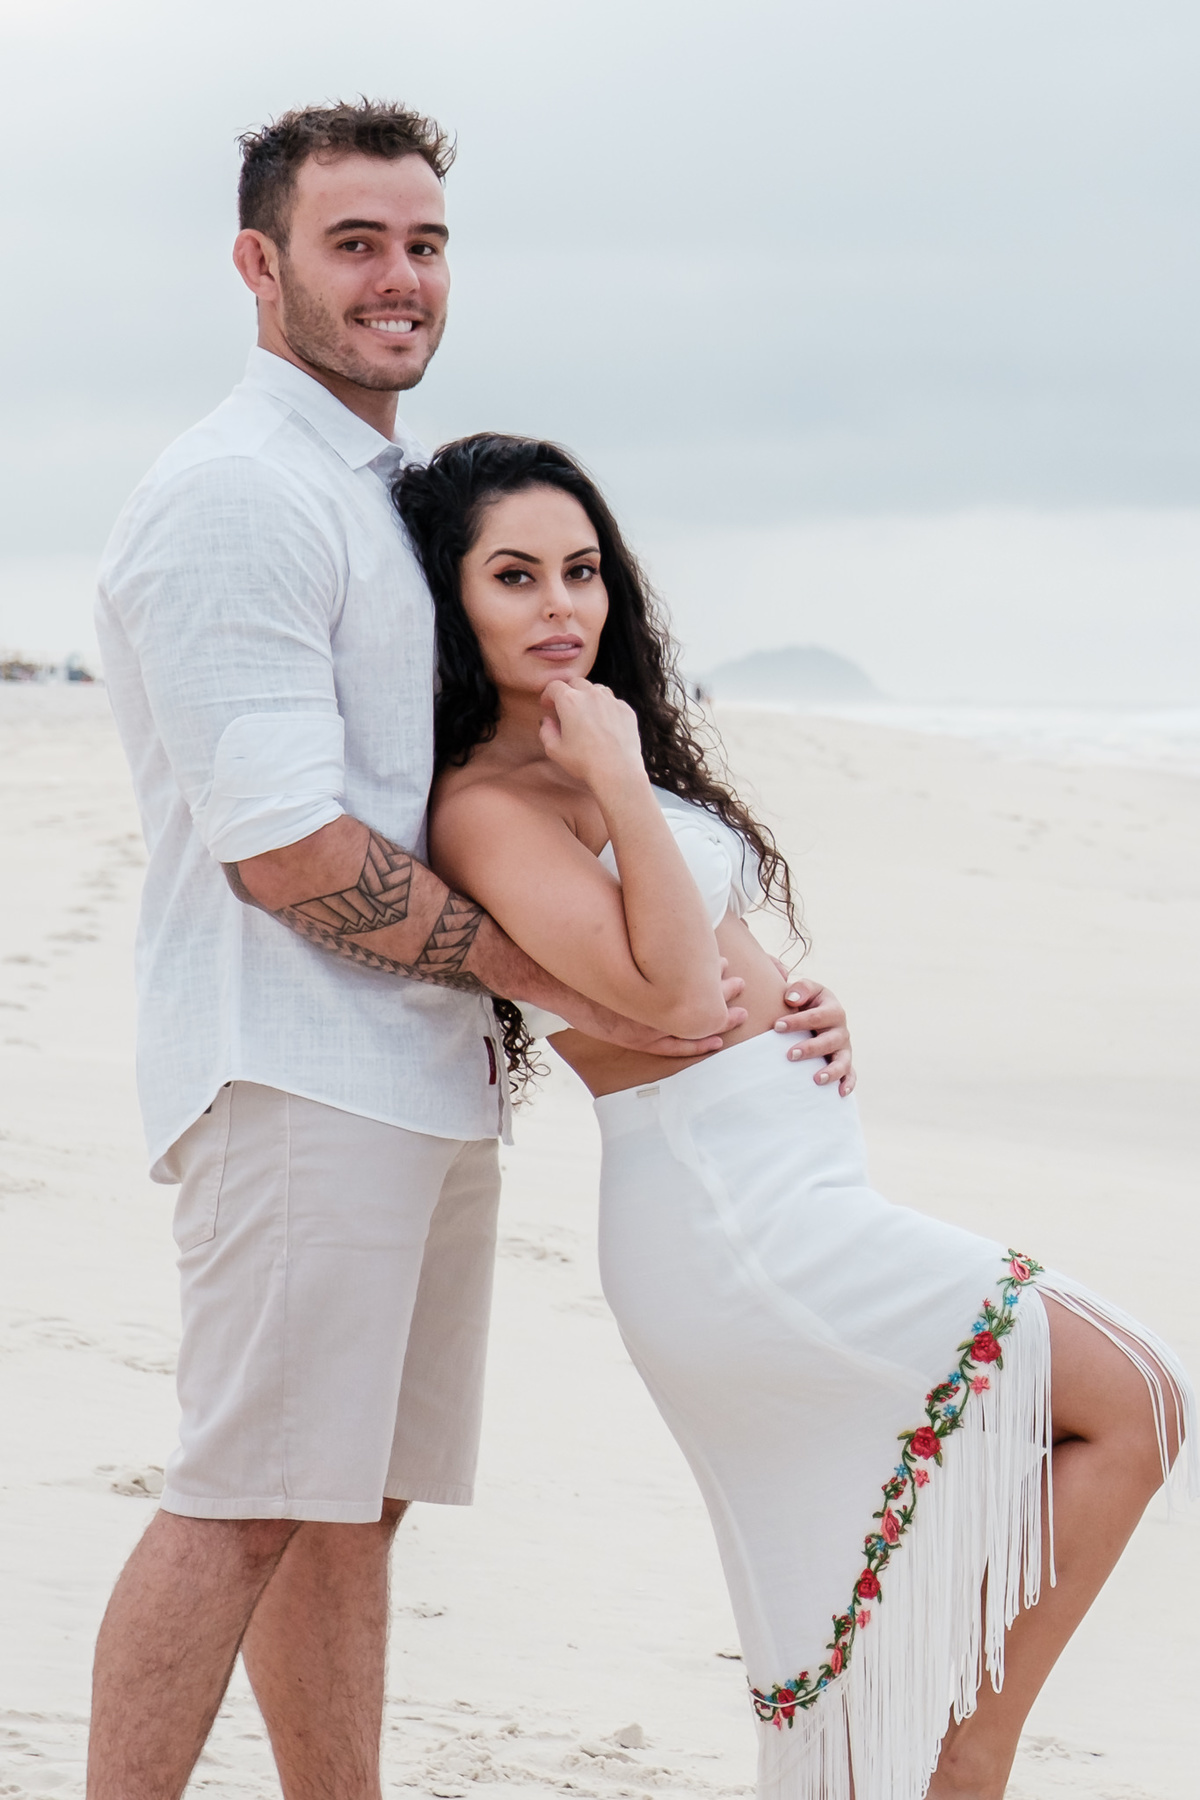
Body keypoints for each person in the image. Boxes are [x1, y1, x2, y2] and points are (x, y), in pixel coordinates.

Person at [90, 101, 849, 1799]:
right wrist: (552, 980)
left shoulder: (378, 495)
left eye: (424, 242)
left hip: (406, 1076)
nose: (398, 279)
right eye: (354, 242)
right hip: (291, 1065)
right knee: (242, 1501)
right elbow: (286, 842)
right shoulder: (238, 494)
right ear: (257, 263)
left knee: (349, 1505)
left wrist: (738, 963)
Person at [396, 432, 1197, 1800]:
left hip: (788, 1192)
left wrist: (800, 1000)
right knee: (1137, 1400)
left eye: (582, 572)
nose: (562, 608)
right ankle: (967, 1754)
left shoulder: (581, 759)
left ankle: (943, 1754)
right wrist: (618, 775)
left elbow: (709, 955)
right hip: (728, 1224)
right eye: (515, 577)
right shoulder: (486, 802)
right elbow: (668, 982)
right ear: (452, 602)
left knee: (1072, 1441)